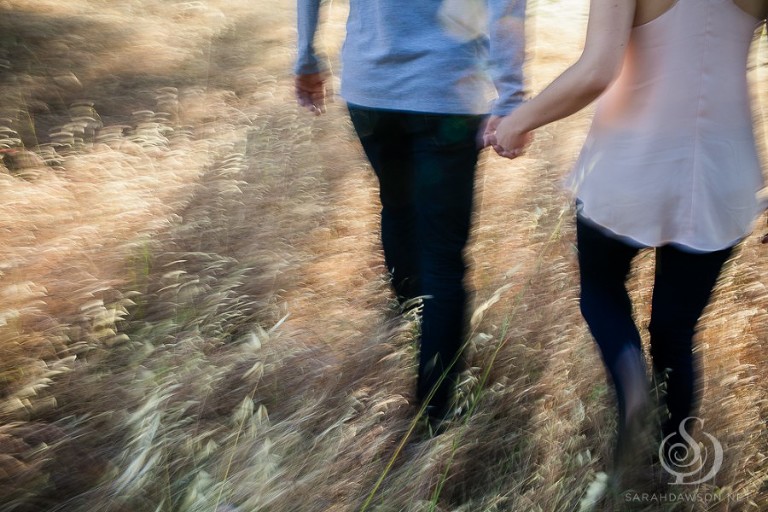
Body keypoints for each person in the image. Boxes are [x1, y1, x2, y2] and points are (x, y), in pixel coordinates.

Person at [488, 0, 767, 472]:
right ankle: (672, 457)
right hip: (725, 170)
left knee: (600, 289)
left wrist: (518, 121)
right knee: (676, 330)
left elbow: (598, 69)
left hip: (629, 162)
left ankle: (630, 380)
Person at [294, 0, 527, 428]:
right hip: (447, 93)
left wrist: (307, 57)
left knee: (397, 205)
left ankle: (411, 316)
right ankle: (434, 416)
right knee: (442, 255)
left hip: (372, 91)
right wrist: (511, 94)